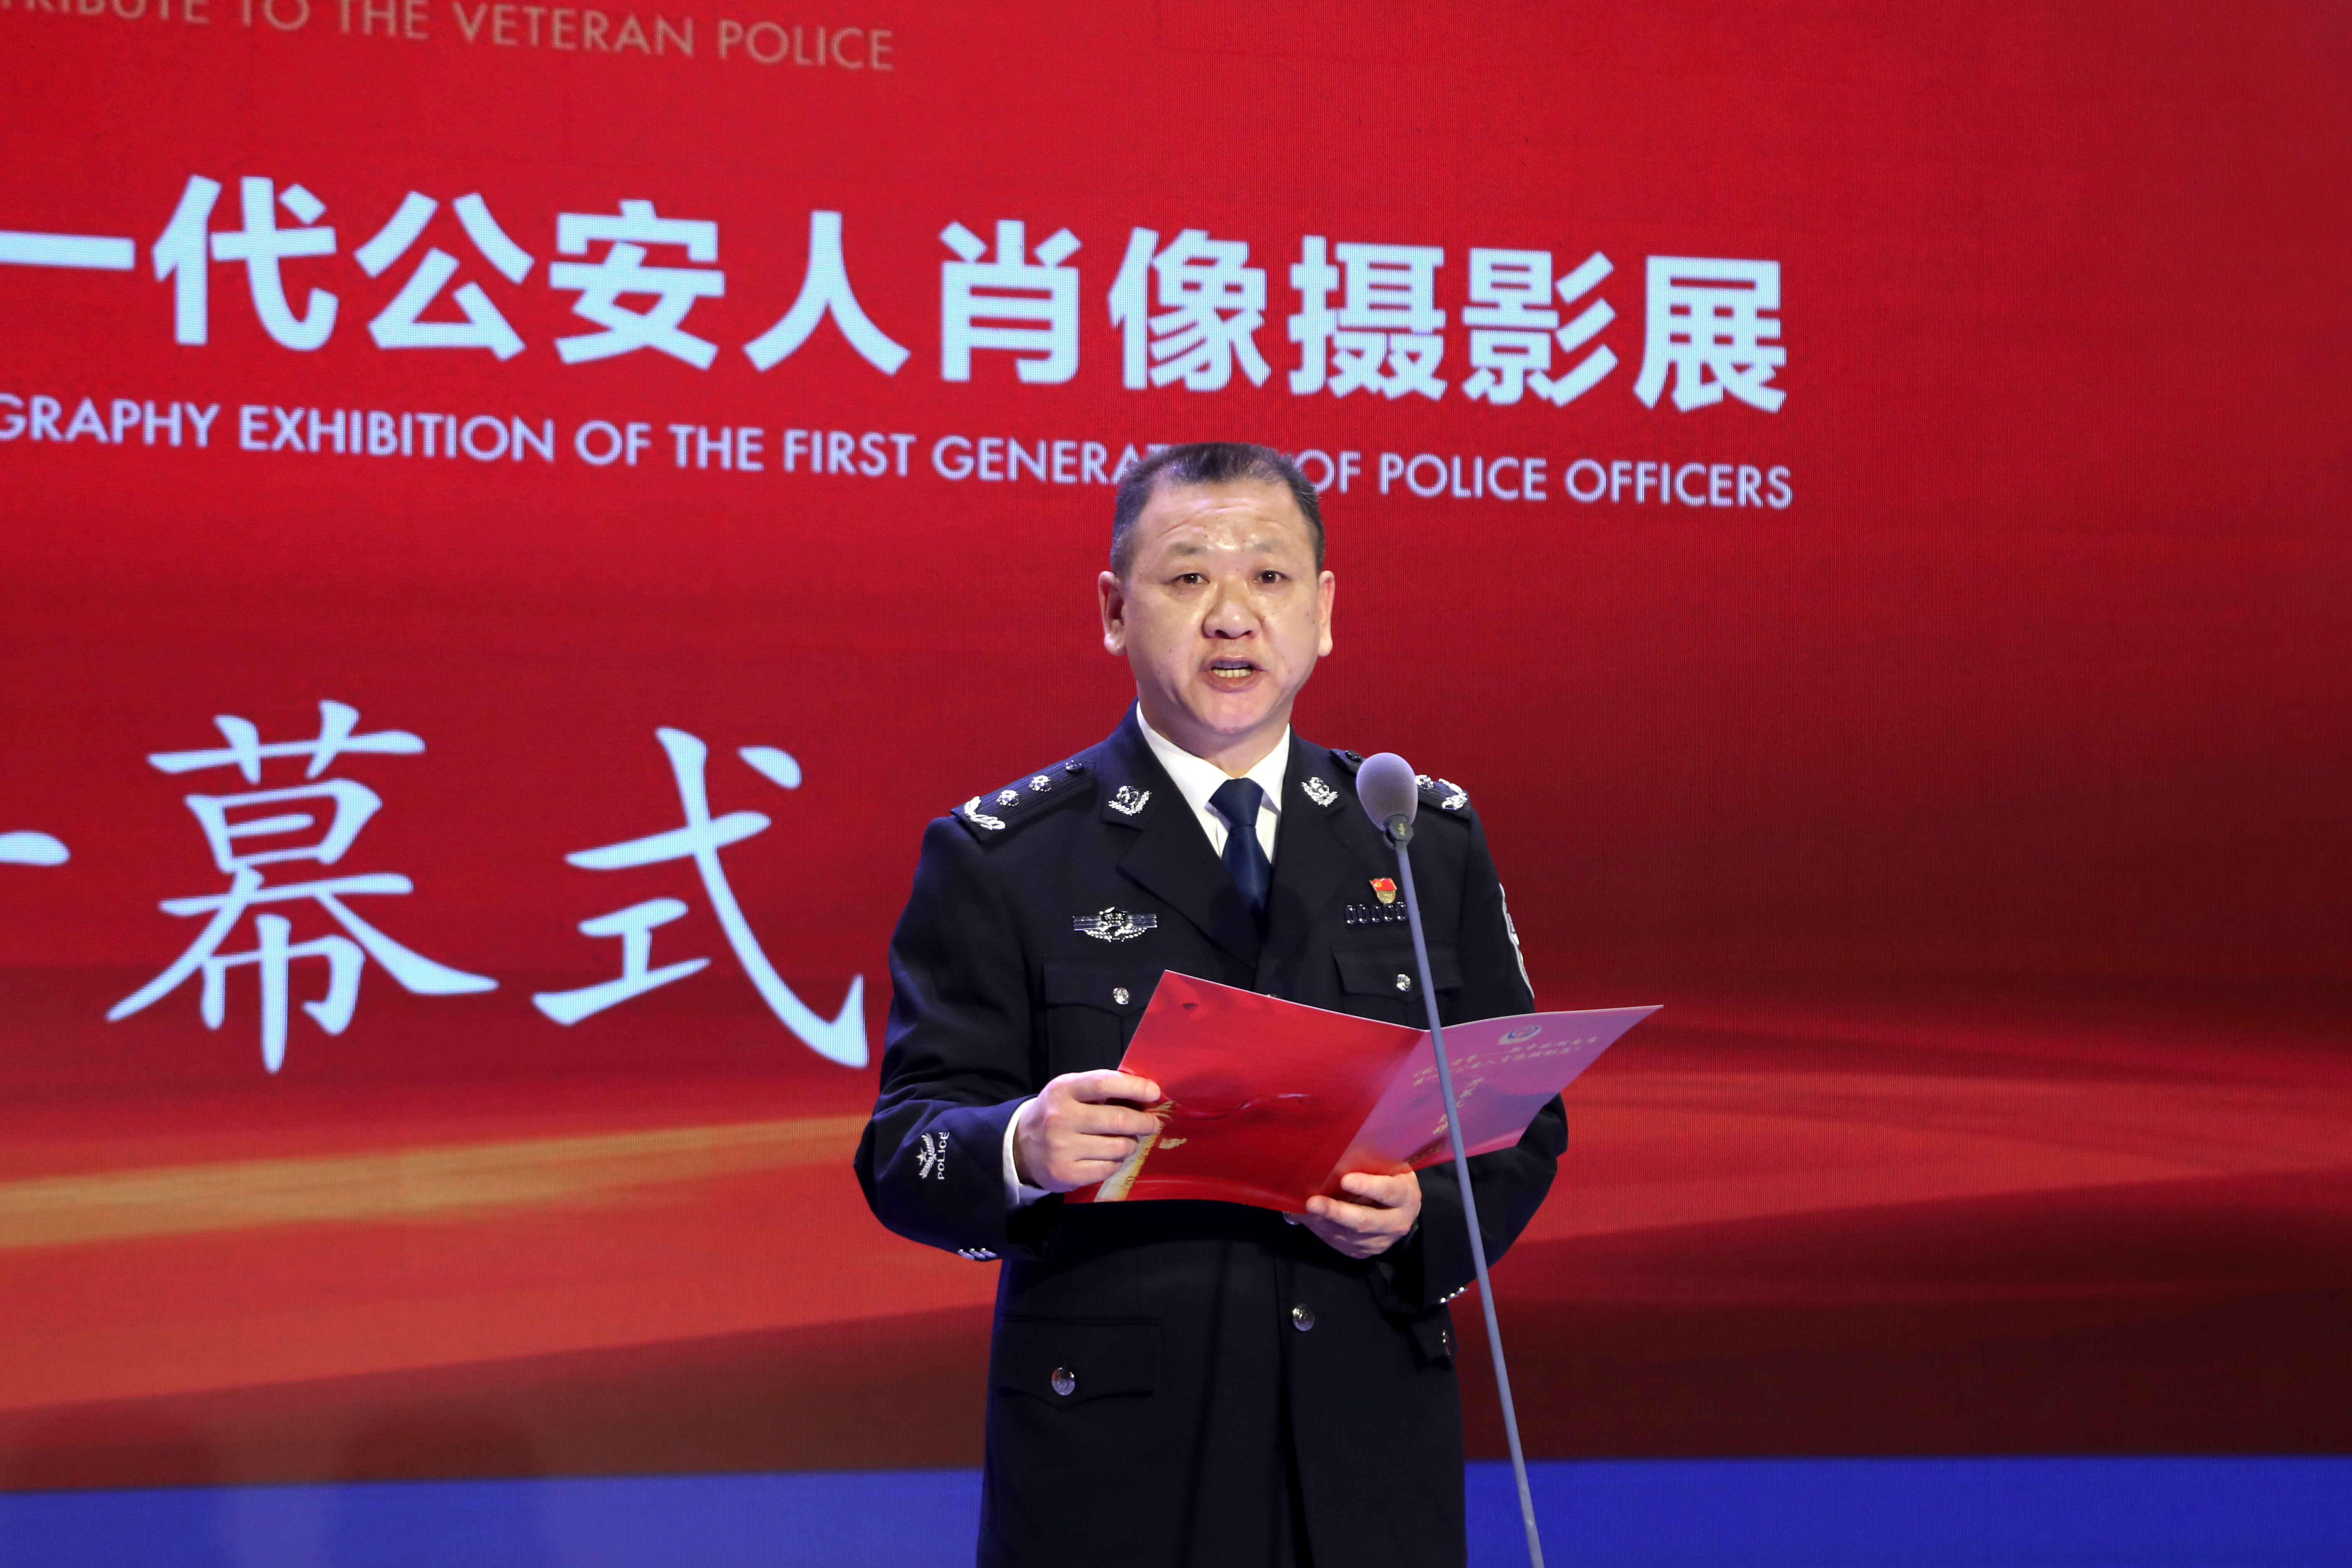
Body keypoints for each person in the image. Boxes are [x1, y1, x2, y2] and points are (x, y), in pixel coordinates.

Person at [855, 442, 1563, 1568]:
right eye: (1188, 578)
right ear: (1113, 611)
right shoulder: (1003, 858)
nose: (1232, 616)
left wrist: (1422, 1214)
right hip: (1119, 1472)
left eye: (1269, 577)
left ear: (1323, 613)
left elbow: (1519, 1119)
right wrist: (1022, 1147)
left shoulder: (1417, 837)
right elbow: (904, 1151)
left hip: (1369, 1461)